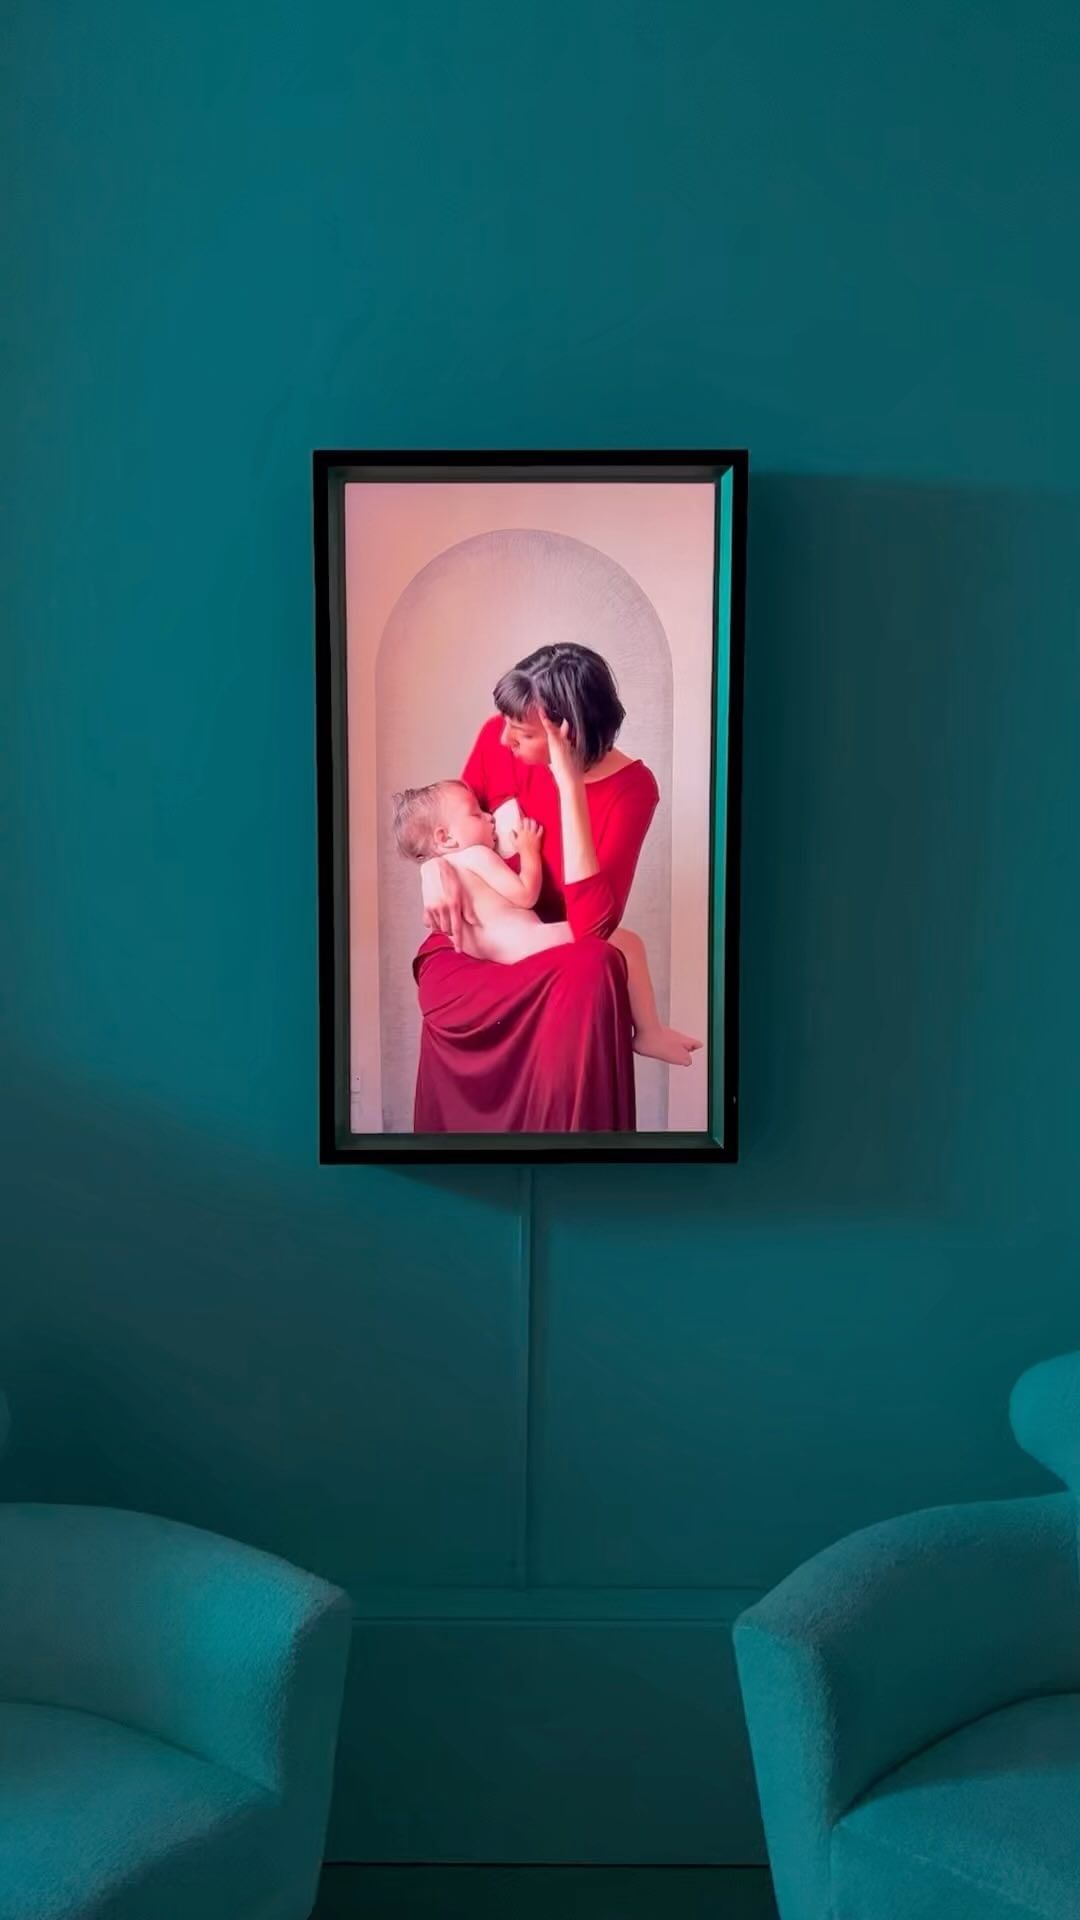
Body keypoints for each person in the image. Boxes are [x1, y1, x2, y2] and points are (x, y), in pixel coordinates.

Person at [410, 642, 689, 1134]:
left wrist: (570, 789)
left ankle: (571, 1156)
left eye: (520, 734)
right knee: (597, 961)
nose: (503, 740)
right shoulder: (498, 740)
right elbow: (443, 828)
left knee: (599, 962)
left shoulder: (632, 789)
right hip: (473, 946)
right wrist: (430, 870)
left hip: (550, 953)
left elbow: (592, 927)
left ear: (568, 735)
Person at [393, 775, 701, 1066]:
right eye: (476, 814)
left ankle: (650, 1033)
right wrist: (529, 851)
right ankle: (649, 1032)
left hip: (489, 953)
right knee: (628, 943)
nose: (489, 817)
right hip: (523, 942)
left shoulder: (444, 869)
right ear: (445, 837)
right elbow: (525, 895)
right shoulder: (476, 855)